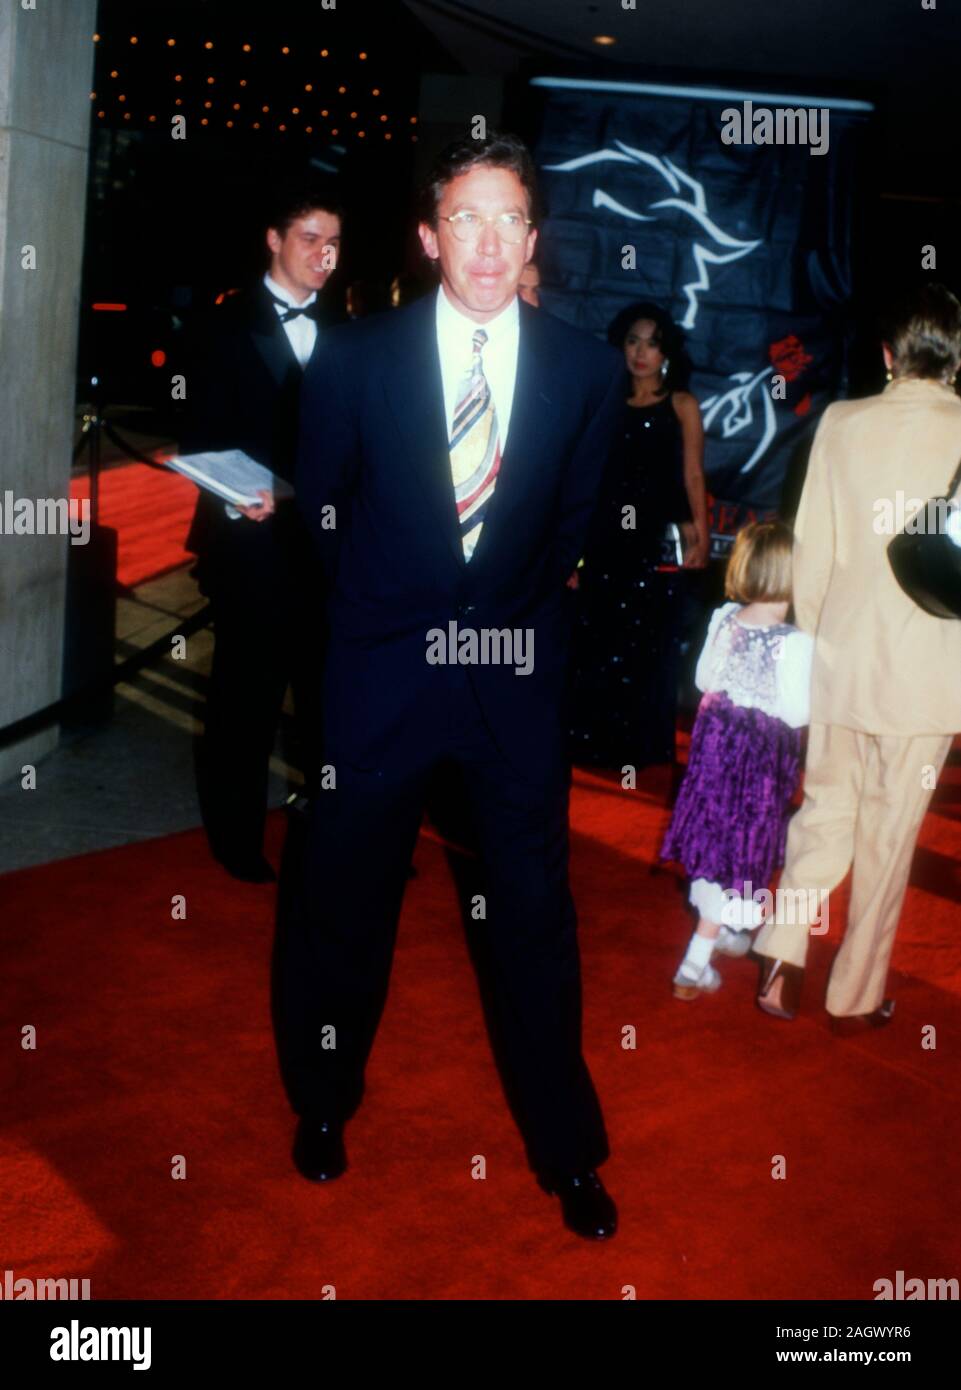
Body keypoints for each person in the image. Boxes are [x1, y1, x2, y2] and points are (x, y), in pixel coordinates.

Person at [272, 132, 626, 1240]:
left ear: (533, 238)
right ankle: (325, 1101)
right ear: (430, 236)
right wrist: (391, 620)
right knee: (343, 903)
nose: (486, 241)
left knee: (533, 916)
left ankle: (565, 1147)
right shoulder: (355, 358)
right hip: (381, 678)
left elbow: (567, 530)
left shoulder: (585, 369)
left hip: (512, 680)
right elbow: (322, 517)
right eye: (464, 218)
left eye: (507, 219)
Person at [754, 282, 961, 1030]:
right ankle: (853, 993)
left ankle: (782, 957)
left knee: (823, 813)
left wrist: (819, 642)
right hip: (931, 675)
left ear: (886, 354)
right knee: (887, 833)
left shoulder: (840, 422)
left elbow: (810, 554)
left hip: (841, 661)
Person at [182, 182, 344, 882]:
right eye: (310, 237)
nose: (324, 254)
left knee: (330, 703)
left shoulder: (350, 328)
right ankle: (235, 837)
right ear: (274, 240)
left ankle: (335, 834)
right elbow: (198, 430)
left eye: (333, 242)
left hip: (332, 550)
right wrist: (232, 497)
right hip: (250, 547)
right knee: (244, 701)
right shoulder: (220, 324)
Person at [660, 522, 813, 997]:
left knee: (715, 840)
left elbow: (705, 680)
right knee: (746, 846)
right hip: (760, 767)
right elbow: (795, 711)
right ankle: (693, 965)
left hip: (713, 753)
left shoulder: (725, 618)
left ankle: (725, 926)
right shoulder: (796, 642)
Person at [570, 302, 709, 769]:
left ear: (666, 350)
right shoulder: (605, 401)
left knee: (650, 639)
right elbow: (587, 473)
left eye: (651, 342)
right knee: (598, 636)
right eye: (633, 340)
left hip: (656, 540)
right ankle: (591, 740)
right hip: (606, 536)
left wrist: (702, 536)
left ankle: (640, 746)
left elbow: (692, 474)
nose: (641, 352)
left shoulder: (682, 404)